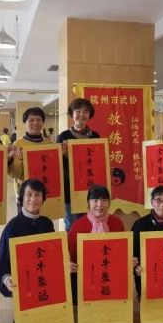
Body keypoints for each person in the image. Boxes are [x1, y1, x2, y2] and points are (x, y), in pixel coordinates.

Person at [67, 185, 127, 304]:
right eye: (95, 200)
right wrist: (69, 263)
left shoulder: (117, 223)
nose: (99, 205)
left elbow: (122, 252)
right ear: (88, 203)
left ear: (109, 203)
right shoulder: (78, 225)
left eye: (104, 200)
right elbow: (70, 254)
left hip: (110, 276)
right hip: (85, 278)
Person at [0, 179, 55, 297]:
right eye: (29, 195)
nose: (33, 199)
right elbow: (2, 264)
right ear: (22, 198)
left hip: (44, 286)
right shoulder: (12, 227)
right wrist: (7, 280)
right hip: (23, 288)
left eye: (37, 195)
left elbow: (53, 255)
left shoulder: (47, 223)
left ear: (43, 198)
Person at [56, 98, 100, 231]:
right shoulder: (63, 136)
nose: (82, 115)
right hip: (70, 191)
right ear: (72, 114)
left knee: (92, 225)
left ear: (90, 115)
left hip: (91, 190)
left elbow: (98, 162)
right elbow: (56, 165)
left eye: (85, 111)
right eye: (78, 111)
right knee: (72, 227)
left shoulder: (95, 137)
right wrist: (61, 154)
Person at [8, 107, 49, 195]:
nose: (35, 123)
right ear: (25, 123)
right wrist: (19, 159)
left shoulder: (49, 143)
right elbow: (14, 174)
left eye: (38, 120)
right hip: (25, 191)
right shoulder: (18, 144)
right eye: (31, 120)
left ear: (43, 122)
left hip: (44, 188)